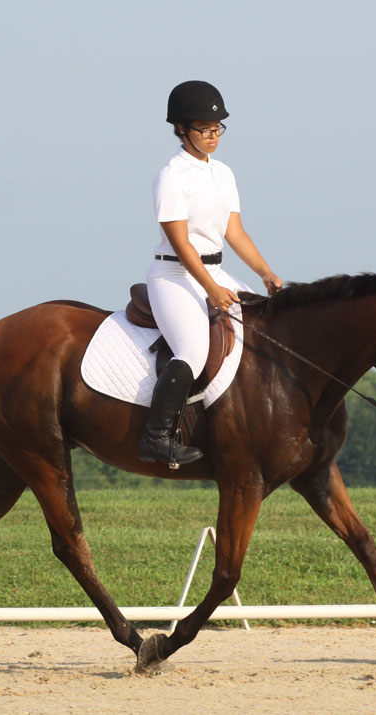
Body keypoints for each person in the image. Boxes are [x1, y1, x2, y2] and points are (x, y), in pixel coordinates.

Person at [139, 80, 283, 468]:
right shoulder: (172, 176)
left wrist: (265, 273)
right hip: (175, 276)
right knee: (193, 350)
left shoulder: (223, 173)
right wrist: (211, 288)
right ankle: (156, 437)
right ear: (181, 129)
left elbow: (235, 232)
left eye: (218, 128)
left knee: (262, 329)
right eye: (204, 129)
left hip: (216, 270)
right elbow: (182, 243)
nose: (213, 136)